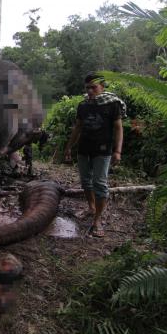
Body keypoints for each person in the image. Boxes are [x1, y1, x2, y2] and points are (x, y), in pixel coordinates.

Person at [64, 73, 125, 237]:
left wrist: (117, 151)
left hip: (103, 150)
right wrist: (69, 147)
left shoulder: (112, 104)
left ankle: (97, 220)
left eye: (94, 87)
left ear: (102, 87)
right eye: (87, 88)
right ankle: (91, 207)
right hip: (84, 148)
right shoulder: (83, 106)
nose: (90, 91)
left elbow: (119, 128)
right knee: (85, 181)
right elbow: (78, 128)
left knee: (99, 183)